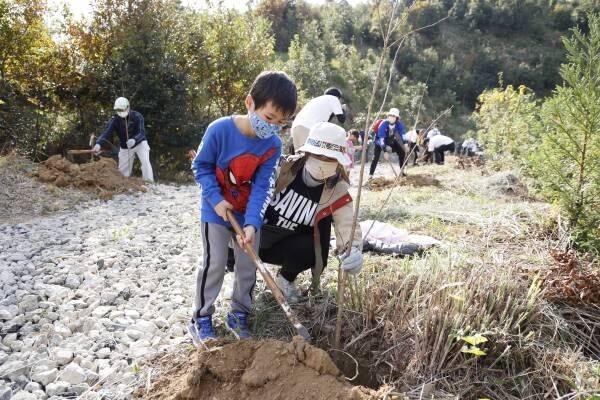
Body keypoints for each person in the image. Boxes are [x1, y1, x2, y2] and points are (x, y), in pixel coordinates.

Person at [188, 71, 297, 342]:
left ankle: (239, 314)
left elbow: (262, 187)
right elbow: (200, 167)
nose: (273, 127)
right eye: (269, 118)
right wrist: (215, 198)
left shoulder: (272, 145)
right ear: (250, 103)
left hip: (246, 211)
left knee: (249, 264)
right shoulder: (219, 130)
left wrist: (251, 223)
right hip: (215, 209)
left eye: (280, 123)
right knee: (214, 263)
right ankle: (200, 317)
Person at [259, 122, 363, 303]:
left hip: (289, 245)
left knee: (315, 247)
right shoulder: (282, 168)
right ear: (306, 153)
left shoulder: (337, 191)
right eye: (317, 154)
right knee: (233, 239)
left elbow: (346, 223)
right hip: (257, 234)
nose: (322, 161)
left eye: (330, 158)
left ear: (338, 162)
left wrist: (352, 249)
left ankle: (285, 279)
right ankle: (235, 270)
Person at [93, 97, 154, 182]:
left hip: (140, 143)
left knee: (145, 162)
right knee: (122, 172)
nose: (120, 111)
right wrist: (98, 144)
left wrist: (134, 140)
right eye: (118, 109)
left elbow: (141, 132)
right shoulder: (114, 119)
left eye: (122, 109)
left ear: (128, 107)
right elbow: (107, 132)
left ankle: (149, 182)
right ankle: (124, 184)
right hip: (125, 146)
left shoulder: (137, 116)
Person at [291, 87, 346, 152]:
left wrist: (333, 113)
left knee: (299, 159)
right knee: (309, 158)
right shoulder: (334, 99)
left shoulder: (316, 100)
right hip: (307, 128)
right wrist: (343, 110)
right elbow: (342, 119)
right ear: (338, 97)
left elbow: (326, 121)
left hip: (295, 128)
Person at [368, 107, 407, 179]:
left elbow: (403, 134)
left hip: (390, 140)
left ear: (397, 118)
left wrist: (405, 144)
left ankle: (402, 171)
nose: (391, 117)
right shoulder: (383, 124)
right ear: (388, 116)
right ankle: (370, 175)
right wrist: (385, 151)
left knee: (402, 152)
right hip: (379, 141)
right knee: (375, 158)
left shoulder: (399, 124)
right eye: (390, 115)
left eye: (393, 116)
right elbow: (381, 139)